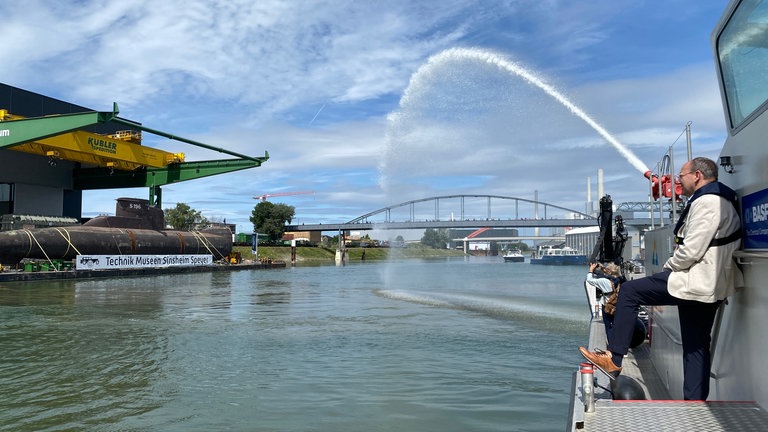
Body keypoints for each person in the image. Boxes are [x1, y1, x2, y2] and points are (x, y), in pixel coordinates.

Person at [579, 157, 743, 400]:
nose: (678, 181)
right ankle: (694, 404)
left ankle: (613, 359)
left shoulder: (708, 202)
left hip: (696, 280)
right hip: (708, 284)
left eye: (682, 176)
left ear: (697, 176)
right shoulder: (716, 199)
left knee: (629, 291)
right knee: (695, 347)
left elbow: (692, 249)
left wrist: (669, 268)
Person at [585, 262, 622, 344]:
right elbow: (610, 275)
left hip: (607, 306)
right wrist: (602, 268)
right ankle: (620, 343)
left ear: (608, 271)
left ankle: (612, 346)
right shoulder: (620, 279)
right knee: (618, 326)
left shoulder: (604, 281)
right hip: (619, 305)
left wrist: (591, 270)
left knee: (608, 326)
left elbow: (589, 280)